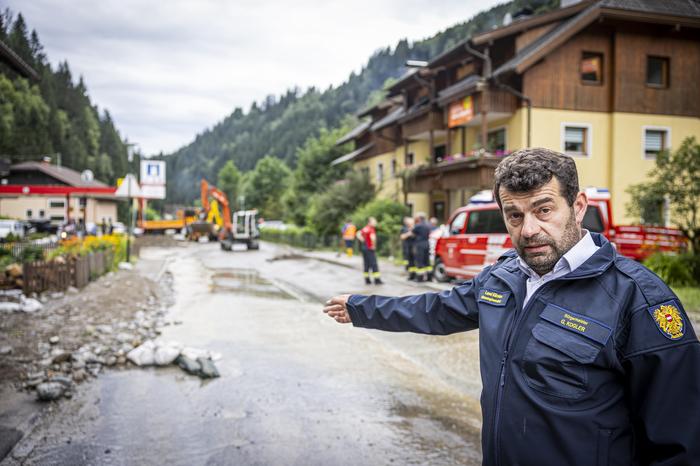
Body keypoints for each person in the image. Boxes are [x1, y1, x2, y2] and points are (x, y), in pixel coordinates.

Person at [324, 148, 700, 466]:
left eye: (544, 210)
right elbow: (436, 309)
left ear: (578, 205)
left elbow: (679, 441)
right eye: (514, 215)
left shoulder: (638, 299)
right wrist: (361, 308)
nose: (528, 229)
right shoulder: (504, 276)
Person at [356, 217, 382, 285]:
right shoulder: (371, 229)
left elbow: (358, 233)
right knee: (374, 264)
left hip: (364, 248)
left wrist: (362, 240)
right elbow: (372, 237)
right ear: (369, 222)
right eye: (374, 221)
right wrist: (373, 245)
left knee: (366, 264)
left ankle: (367, 280)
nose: (375, 223)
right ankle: (377, 280)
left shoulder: (365, 228)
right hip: (370, 248)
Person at [411, 213, 432, 282]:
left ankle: (420, 278)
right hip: (427, 243)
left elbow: (412, 234)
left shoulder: (418, 225)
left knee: (420, 261)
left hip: (420, 244)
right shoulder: (428, 225)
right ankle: (429, 277)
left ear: (419, 218)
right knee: (427, 261)